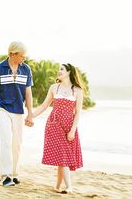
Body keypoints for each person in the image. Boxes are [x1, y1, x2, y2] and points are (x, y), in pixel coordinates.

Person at [32, 63, 86, 194]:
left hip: (69, 126)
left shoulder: (77, 90)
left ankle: (57, 186)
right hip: (54, 124)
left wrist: (73, 130)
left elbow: (78, 113)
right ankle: (69, 187)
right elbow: (44, 105)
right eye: (59, 69)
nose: (59, 71)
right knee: (62, 155)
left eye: (61, 69)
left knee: (63, 157)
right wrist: (30, 116)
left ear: (69, 72)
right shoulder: (54, 87)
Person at [0, 41, 34, 187]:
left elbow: (28, 93)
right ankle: (6, 176)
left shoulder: (26, 69)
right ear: (12, 54)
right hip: (2, 109)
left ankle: (14, 174)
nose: (24, 59)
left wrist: (30, 114)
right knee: (6, 141)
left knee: (17, 144)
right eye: (22, 56)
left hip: (19, 111)